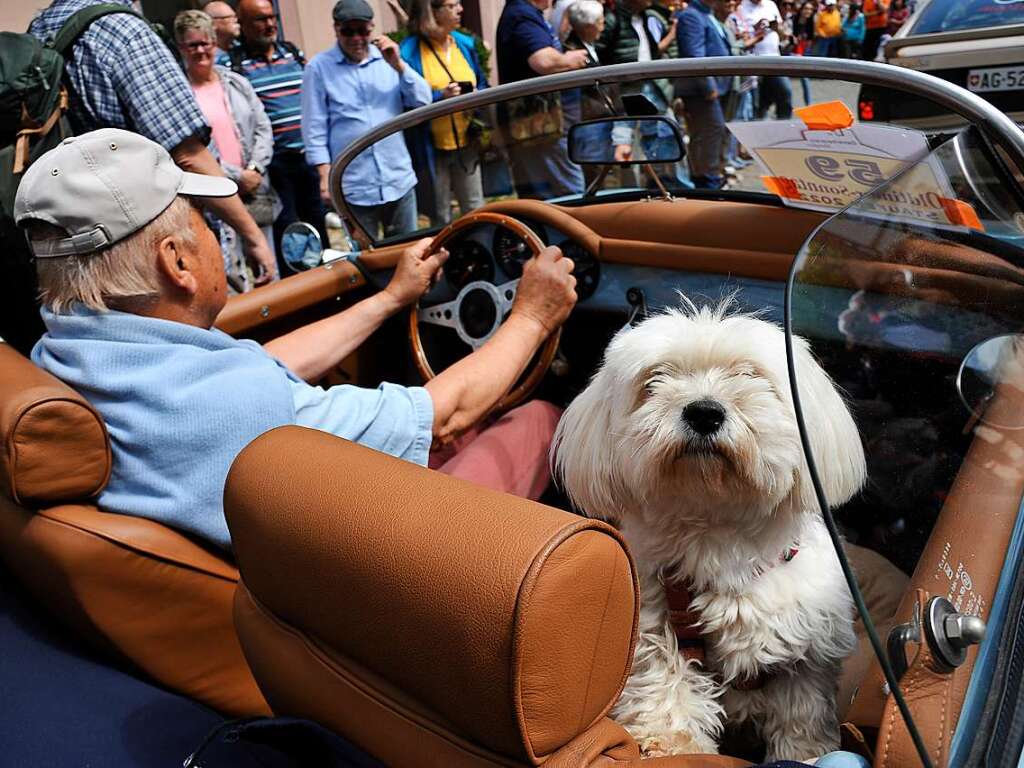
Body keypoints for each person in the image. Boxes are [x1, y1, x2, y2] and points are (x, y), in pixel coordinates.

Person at [15, 128, 578, 552]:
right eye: (204, 221)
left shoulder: (69, 355)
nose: (214, 235)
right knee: (540, 419)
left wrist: (388, 300)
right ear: (179, 262)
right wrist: (531, 314)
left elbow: (263, 363)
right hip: (364, 578)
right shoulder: (236, 409)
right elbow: (443, 415)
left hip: (279, 558)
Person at [27, 0, 277, 287]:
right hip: (148, 241)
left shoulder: (43, 26)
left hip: (82, 243)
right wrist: (252, 235)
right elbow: (189, 156)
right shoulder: (124, 32)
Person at [302, 0, 431, 240]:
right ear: (336, 29)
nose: (356, 38)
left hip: (397, 179)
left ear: (371, 29)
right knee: (365, 262)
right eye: (348, 31)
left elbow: (423, 102)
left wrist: (399, 65)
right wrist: (323, 176)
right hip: (353, 187)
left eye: (362, 31)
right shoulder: (319, 68)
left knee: (408, 252)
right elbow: (314, 128)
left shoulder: (388, 59)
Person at [175, 10, 279, 293]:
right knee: (230, 275)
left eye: (205, 43)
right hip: (213, 196)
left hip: (255, 190)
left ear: (214, 43)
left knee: (267, 266)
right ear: (181, 48)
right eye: (192, 45)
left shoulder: (236, 83)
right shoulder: (180, 95)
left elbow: (262, 126)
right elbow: (191, 151)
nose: (200, 51)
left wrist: (255, 169)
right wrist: (234, 176)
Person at [234, 0, 328, 269]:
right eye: (260, 19)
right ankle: (297, 290)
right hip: (275, 165)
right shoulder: (236, 65)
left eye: (272, 17)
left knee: (317, 222)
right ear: (243, 24)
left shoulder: (293, 53)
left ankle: (325, 282)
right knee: (287, 230)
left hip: (308, 157)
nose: (270, 24)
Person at [399, 0, 488, 226]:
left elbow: (483, 82)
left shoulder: (465, 44)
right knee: (440, 215)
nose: (460, 9)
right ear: (433, 13)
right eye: (451, 5)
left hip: (466, 141)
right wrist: (440, 97)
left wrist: (477, 94)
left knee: (475, 208)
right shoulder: (409, 51)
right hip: (431, 148)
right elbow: (404, 100)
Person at [496, 0, 588, 199]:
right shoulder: (521, 15)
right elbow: (543, 61)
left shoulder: (527, 13)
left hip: (540, 126)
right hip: (540, 127)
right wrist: (569, 60)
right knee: (567, 193)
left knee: (544, 194)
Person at [676, 0, 732, 189]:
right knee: (709, 132)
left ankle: (710, 175)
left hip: (718, 86)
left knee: (713, 132)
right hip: (701, 90)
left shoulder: (708, 14)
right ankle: (706, 181)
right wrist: (708, 86)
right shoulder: (691, 15)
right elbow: (694, 55)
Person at [733, 0, 792, 119]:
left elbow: (781, 34)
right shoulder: (741, 7)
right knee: (759, 103)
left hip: (775, 60)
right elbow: (739, 37)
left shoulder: (770, 5)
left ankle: (785, 126)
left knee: (785, 93)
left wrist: (777, 29)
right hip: (753, 63)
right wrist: (756, 29)